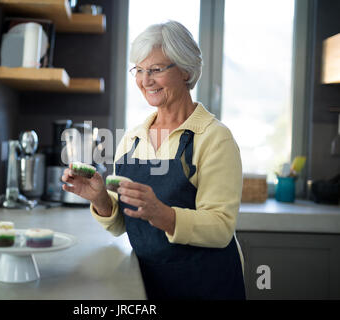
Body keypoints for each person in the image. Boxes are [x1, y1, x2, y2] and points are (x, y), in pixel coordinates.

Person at [61, 20, 245, 300]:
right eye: (139, 70)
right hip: (148, 282)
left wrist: (164, 215)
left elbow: (220, 227)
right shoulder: (132, 140)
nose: (145, 81)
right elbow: (124, 224)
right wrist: (100, 199)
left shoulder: (214, 138)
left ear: (185, 70)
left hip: (206, 284)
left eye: (156, 70)